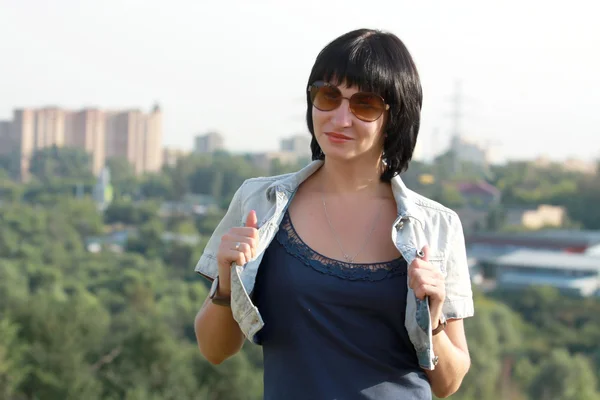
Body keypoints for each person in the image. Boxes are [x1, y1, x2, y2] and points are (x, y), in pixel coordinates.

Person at [194, 28, 474, 400]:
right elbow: (214, 350)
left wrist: (435, 320)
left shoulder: (436, 227)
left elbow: (448, 384)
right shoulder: (258, 203)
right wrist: (227, 285)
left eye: (365, 104)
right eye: (328, 96)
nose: (341, 118)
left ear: (396, 116)